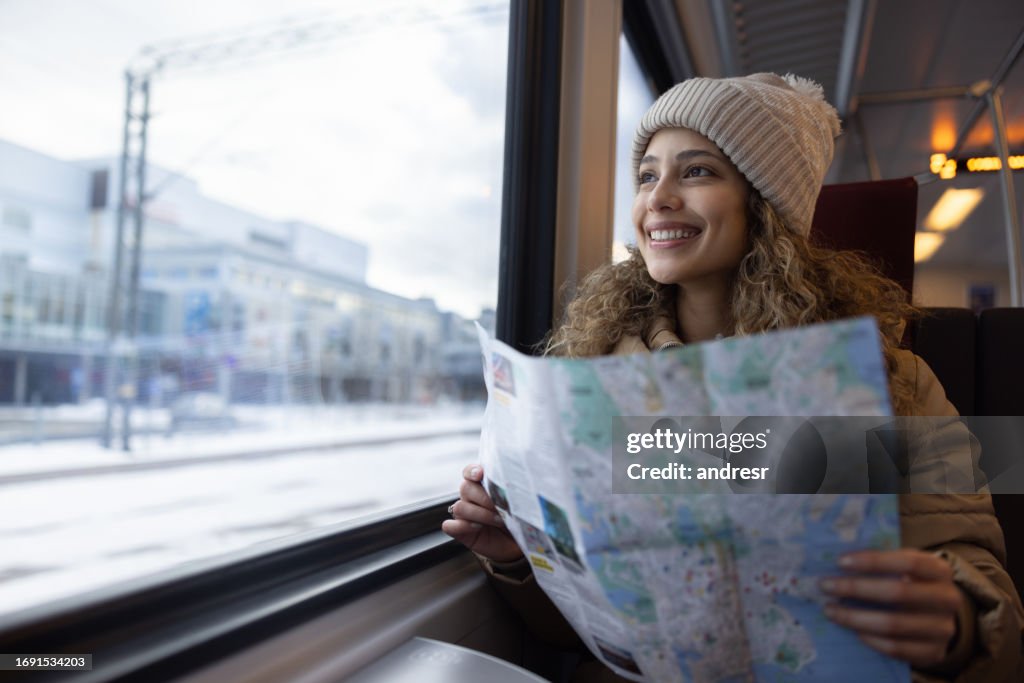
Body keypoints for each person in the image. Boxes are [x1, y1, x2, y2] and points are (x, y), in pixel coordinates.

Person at [442, 73, 1024, 682]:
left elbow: (989, 598)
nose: (658, 198)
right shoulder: (588, 380)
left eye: (696, 172)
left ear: (764, 205)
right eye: (647, 175)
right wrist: (519, 560)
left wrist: (955, 622)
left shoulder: (888, 381)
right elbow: (584, 630)